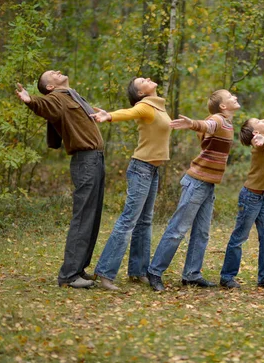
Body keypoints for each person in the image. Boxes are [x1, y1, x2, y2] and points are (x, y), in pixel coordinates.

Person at [15, 70, 105, 289]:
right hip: (85, 161)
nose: (57, 71)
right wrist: (30, 101)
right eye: (51, 74)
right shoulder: (55, 98)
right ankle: (68, 276)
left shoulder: (70, 96)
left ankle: (78, 269)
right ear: (50, 87)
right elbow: (45, 107)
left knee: (92, 218)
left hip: (95, 160)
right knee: (83, 217)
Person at [146, 89, 240, 291]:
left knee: (202, 233)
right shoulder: (218, 119)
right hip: (196, 182)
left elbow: (207, 129)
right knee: (178, 229)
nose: (235, 97)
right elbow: (208, 124)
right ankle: (154, 271)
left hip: (207, 184)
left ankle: (191, 274)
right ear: (223, 106)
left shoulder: (228, 123)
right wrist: (193, 124)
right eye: (230, 96)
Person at [91, 77, 171, 291]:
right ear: (141, 94)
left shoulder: (158, 106)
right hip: (141, 169)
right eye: (141, 81)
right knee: (128, 221)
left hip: (152, 170)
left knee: (145, 221)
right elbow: (130, 112)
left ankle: (138, 270)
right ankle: (105, 273)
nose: (147, 78)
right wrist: (109, 116)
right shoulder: (145, 106)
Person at [219, 118, 264, 289]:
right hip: (250, 197)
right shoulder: (263, 142)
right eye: (258, 121)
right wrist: (259, 140)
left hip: (263, 197)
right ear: (256, 133)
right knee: (239, 237)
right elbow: (262, 142)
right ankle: (227, 277)